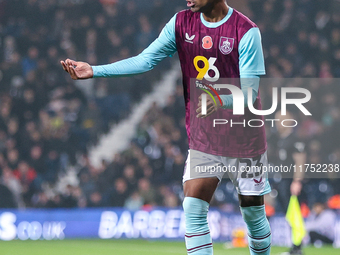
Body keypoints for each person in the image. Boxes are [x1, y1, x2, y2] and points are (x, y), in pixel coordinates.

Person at [61, 1, 271, 254]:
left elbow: (250, 93)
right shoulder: (180, 23)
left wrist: (219, 99)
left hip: (244, 139)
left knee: (253, 216)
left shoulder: (246, 31)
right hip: (205, 138)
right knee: (193, 209)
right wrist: (95, 70)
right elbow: (145, 60)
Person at [269, 111, 306, 255]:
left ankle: (297, 248)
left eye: (281, 119)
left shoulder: (295, 140)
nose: (278, 122)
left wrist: (297, 181)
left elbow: (300, 161)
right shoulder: (280, 140)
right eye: (277, 119)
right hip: (282, 182)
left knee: (294, 214)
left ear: (289, 120)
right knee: (289, 215)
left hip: (291, 183)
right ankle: (295, 247)